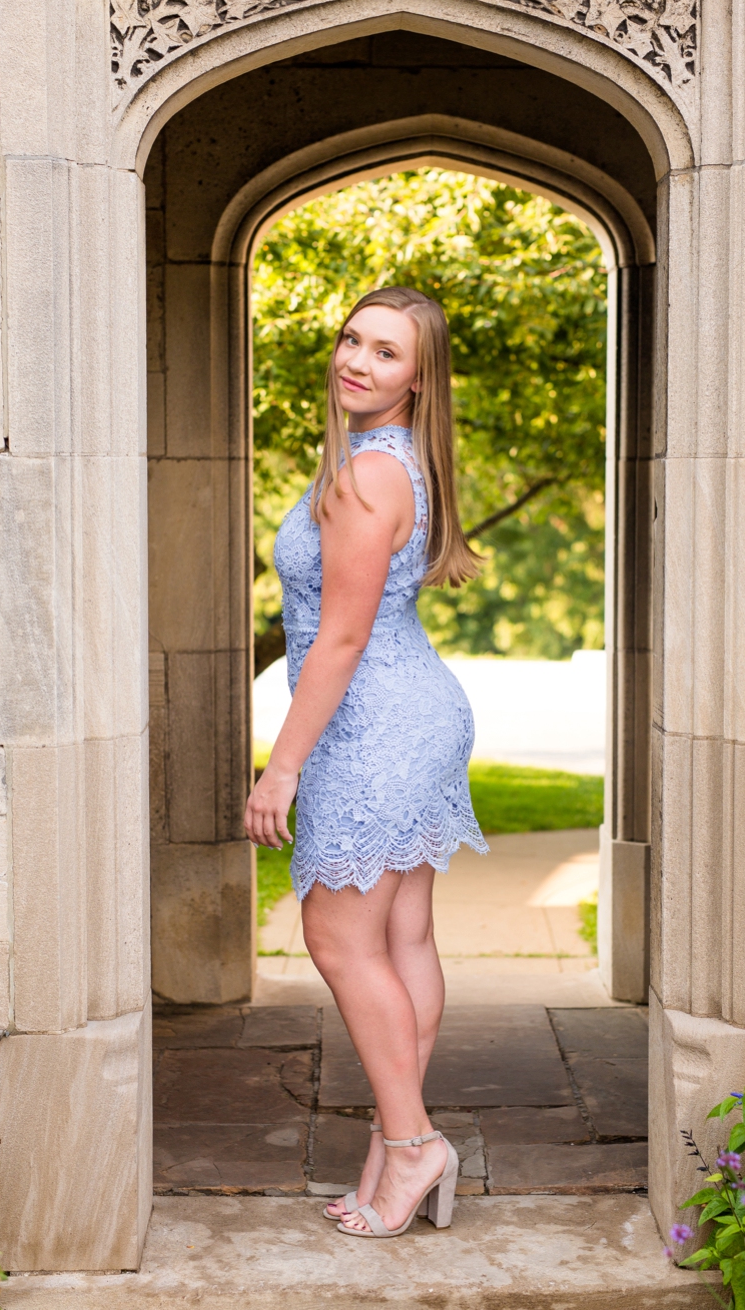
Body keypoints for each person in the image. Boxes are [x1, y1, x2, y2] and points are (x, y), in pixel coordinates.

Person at [244, 284, 488, 1240]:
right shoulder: (388, 463)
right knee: (403, 939)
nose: (358, 361)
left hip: (374, 720)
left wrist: (282, 768)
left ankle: (415, 1143)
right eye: (352, 340)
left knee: (341, 939)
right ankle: (398, 1152)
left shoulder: (369, 478)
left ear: (419, 379)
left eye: (387, 352)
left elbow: (339, 641)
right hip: (412, 708)